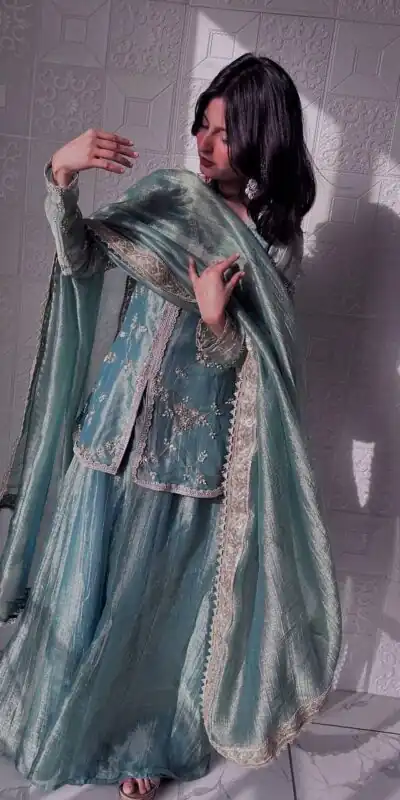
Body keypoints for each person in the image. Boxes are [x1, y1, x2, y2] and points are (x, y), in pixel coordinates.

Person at [0, 54, 341, 799]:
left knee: (154, 623)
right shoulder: (168, 199)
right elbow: (81, 261)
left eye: (224, 133)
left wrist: (217, 322)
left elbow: (254, 373)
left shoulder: (275, 246)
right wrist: (61, 176)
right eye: (201, 125)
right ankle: (50, 715)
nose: (204, 144)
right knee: (79, 602)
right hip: (110, 438)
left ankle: (145, 743)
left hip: (186, 466)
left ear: (262, 140)